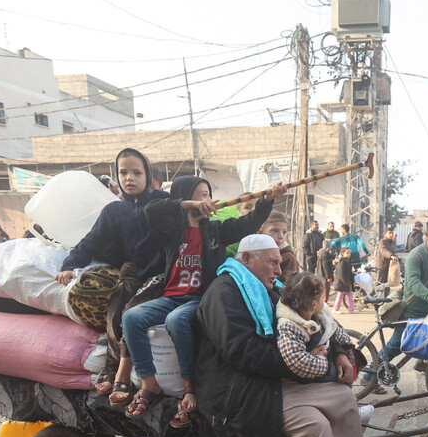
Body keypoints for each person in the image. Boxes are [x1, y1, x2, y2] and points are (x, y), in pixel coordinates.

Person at [196, 234, 385, 437]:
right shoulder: (225, 293)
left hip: (270, 381)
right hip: (240, 390)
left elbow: (319, 315)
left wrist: (339, 350)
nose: (278, 266)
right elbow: (243, 353)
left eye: (278, 260)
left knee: (343, 399)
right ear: (246, 259)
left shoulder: (267, 288)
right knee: (314, 426)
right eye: (271, 261)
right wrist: (311, 366)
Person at [119, 175, 280, 422]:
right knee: (131, 316)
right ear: (185, 198)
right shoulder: (171, 230)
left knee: (176, 321)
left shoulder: (215, 229)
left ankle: (188, 387)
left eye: (208, 194)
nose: (208, 200)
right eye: (201, 195)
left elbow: (247, 223)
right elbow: (152, 209)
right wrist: (188, 205)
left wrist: (265, 202)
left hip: (199, 299)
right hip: (171, 296)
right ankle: (149, 383)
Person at [54, 148, 169, 399]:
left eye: (137, 172)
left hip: (161, 273)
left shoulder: (161, 203)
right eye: (123, 172)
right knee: (114, 311)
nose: (130, 178)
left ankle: (121, 374)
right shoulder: (114, 211)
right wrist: (68, 266)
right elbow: (90, 242)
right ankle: (110, 369)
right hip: (131, 273)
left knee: (131, 313)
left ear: (148, 175)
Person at [360, 216, 428, 392]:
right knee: (394, 348)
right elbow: (413, 282)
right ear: (427, 234)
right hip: (411, 314)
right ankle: (368, 378)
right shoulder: (417, 255)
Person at [259, 211, 300, 283]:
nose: (281, 236)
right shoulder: (255, 253)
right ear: (259, 233)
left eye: (284, 232)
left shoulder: (288, 257)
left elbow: (290, 286)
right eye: (275, 231)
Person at [332, 247, 355, 313]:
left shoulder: (347, 261)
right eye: (347, 253)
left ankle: (351, 308)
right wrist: (346, 282)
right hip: (341, 282)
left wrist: (353, 277)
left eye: (349, 253)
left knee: (350, 294)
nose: (349, 254)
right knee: (339, 296)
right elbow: (341, 274)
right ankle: (336, 309)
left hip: (346, 282)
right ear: (342, 253)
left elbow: (349, 272)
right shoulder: (341, 262)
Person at [374, 227, 397, 292]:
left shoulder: (391, 242)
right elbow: (384, 251)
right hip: (381, 267)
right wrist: (391, 256)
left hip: (388, 267)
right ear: (385, 234)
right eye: (389, 233)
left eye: (392, 233)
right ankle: (367, 299)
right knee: (379, 286)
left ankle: (387, 300)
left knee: (387, 285)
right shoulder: (382, 241)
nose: (391, 235)